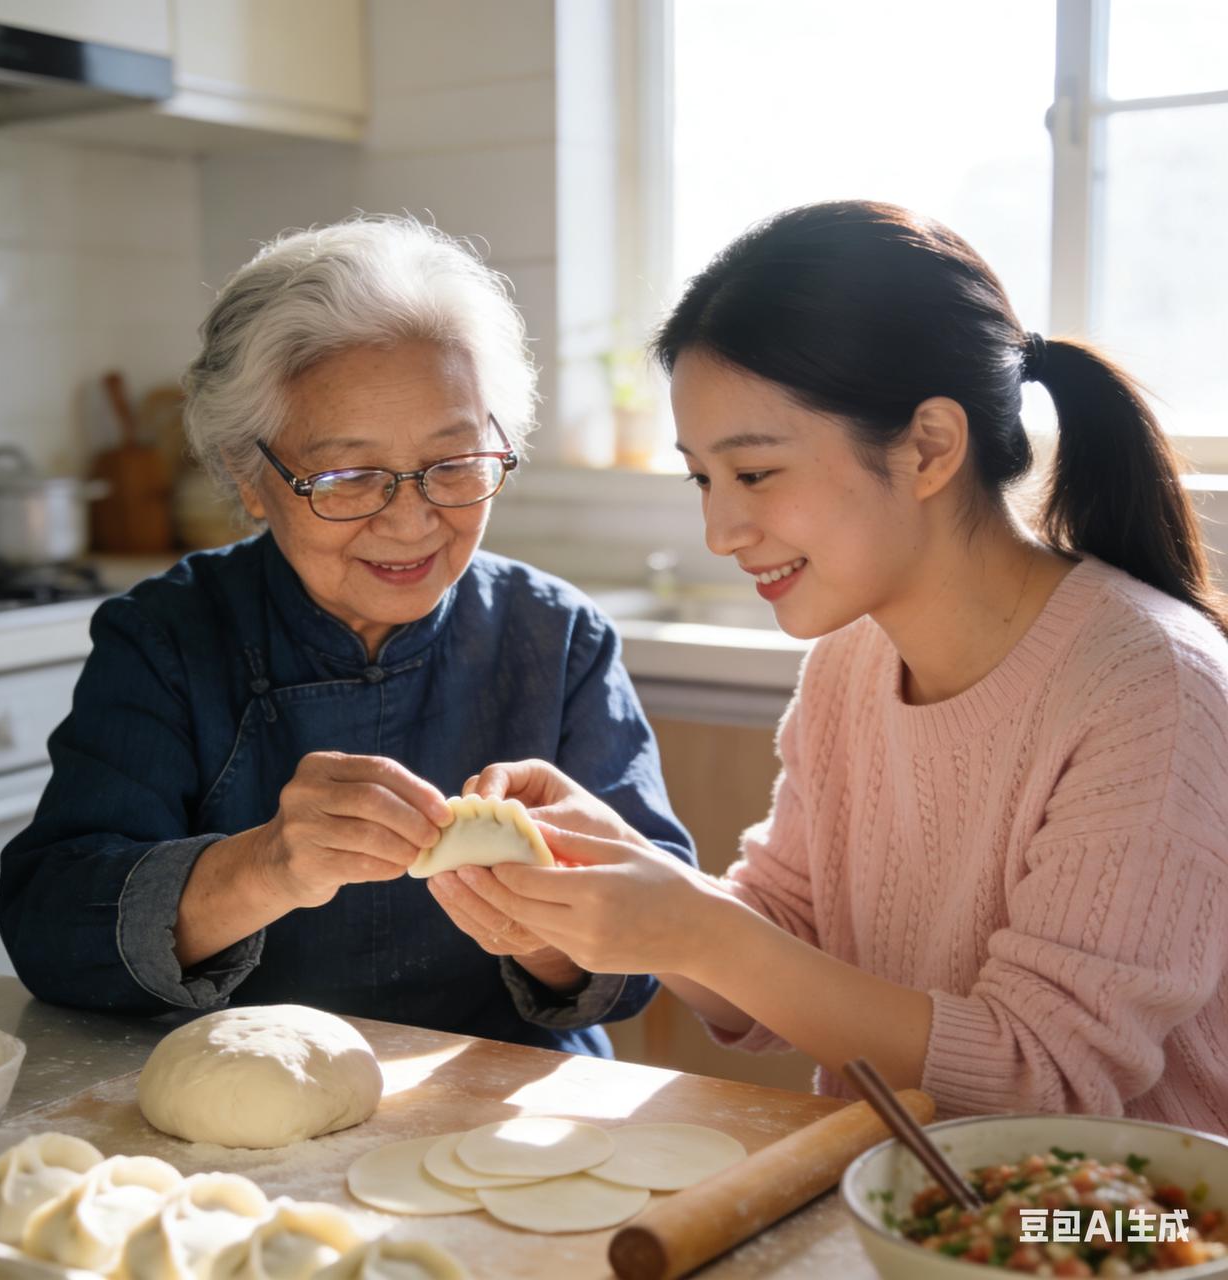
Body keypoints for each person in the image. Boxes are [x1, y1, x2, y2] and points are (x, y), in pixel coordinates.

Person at [443, 201, 1228, 1130]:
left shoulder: (1151, 688)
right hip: (905, 1206)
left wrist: (694, 927)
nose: (721, 532)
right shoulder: (852, 659)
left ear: (930, 445)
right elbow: (773, 961)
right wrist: (607, 870)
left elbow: (1038, 1081)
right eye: (703, 477)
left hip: (1123, 1239)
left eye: (757, 473)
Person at [0, 216, 693, 1058]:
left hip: (512, 1098)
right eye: (349, 476)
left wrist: (542, 929)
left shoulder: (557, 636)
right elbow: (50, 929)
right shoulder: (167, 637)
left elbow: (658, 947)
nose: (410, 519)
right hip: (240, 1097)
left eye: (455, 462)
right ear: (251, 480)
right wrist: (267, 866)